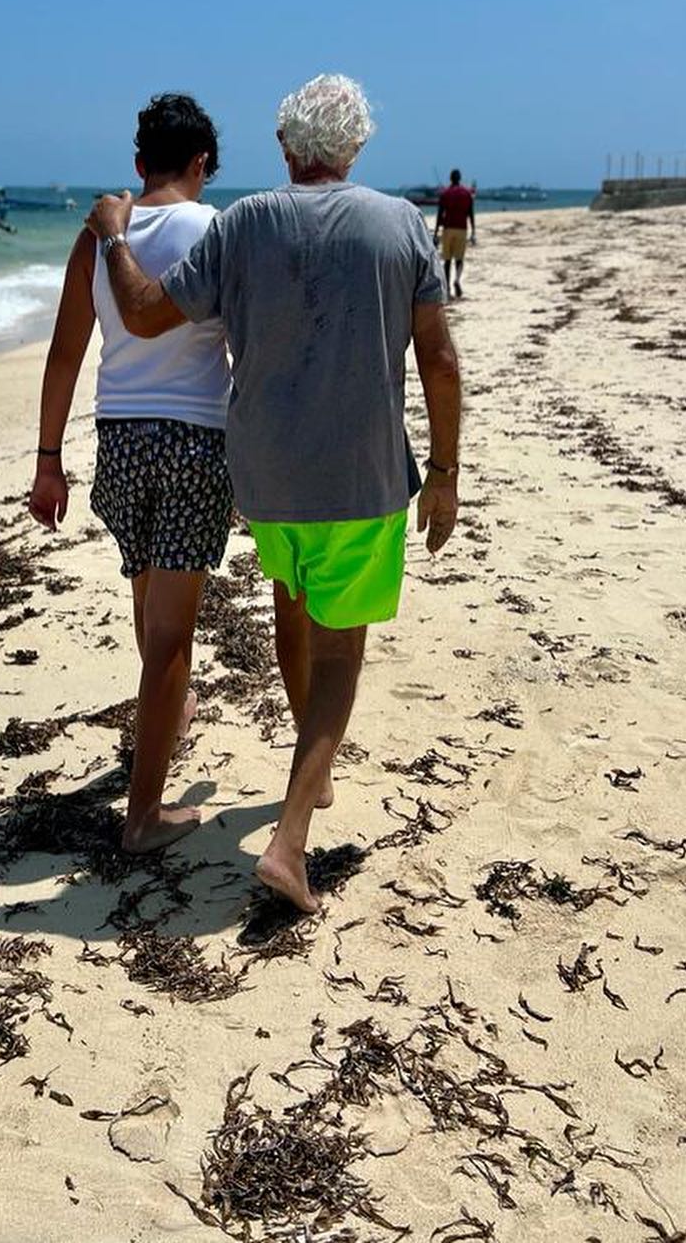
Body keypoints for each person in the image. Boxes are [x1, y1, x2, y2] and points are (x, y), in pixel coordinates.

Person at [86, 74, 462, 913]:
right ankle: (290, 841)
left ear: (287, 150)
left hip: (265, 480)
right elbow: (438, 359)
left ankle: (309, 769)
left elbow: (144, 314)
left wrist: (116, 236)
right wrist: (444, 475)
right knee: (340, 649)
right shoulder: (401, 225)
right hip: (361, 477)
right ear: (356, 146)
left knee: (296, 606)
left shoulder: (246, 221)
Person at [28, 93, 232, 854]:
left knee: (151, 609)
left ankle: (167, 720)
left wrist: (48, 461)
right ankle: (143, 816)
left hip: (118, 440)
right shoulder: (215, 230)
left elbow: (64, 355)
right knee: (175, 633)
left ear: (140, 163)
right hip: (193, 443)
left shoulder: (95, 240)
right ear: (201, 164)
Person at [434, 169, 476, 298]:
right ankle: (457, 280)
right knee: (459, 259)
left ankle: (447, 289)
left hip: (448, 229)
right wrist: (473, 230)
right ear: (460, 179)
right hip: (462, 229)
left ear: (450, 179)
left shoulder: (445, 193)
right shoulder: (467, 193)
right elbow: (470, 213)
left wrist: (436, 232)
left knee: (447, 260)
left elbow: (440, 214)